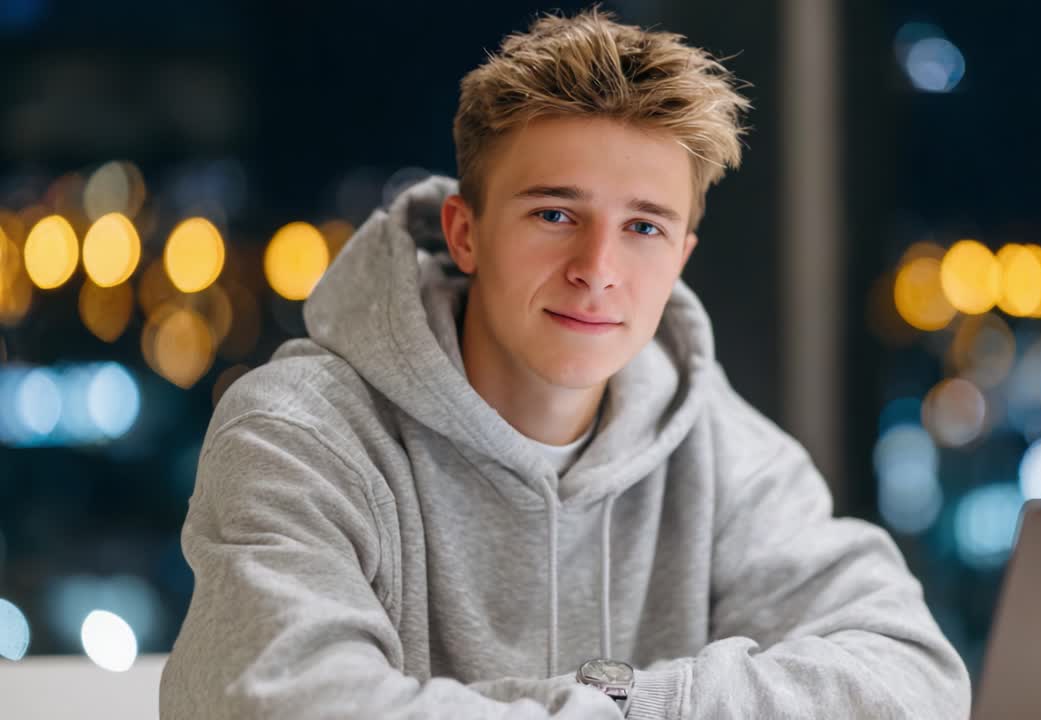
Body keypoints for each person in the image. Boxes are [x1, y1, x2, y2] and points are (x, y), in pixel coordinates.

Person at [160, 7, 970, 718]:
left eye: (644, 227)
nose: (598, 267)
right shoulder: (300, 435)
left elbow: (914, 683)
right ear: (464, 231)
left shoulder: (721, 453)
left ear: (682, 254)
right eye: (555, 213)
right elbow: (277, 708)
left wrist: (629, 701)